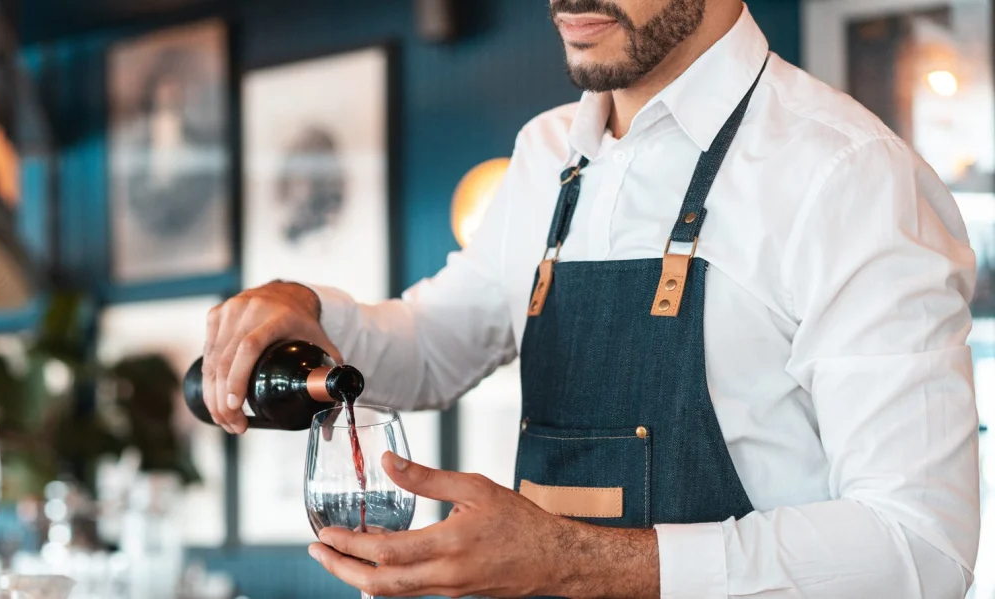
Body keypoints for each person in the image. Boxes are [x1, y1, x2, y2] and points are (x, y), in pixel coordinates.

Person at [199, 0, 981, 596]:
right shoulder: (547, 154)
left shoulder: (849, 176)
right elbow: (433, 344)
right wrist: (306, 306)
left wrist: (572, 560)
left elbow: (918, 545)